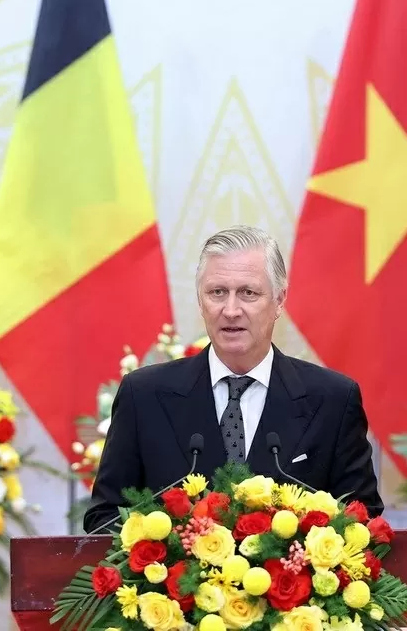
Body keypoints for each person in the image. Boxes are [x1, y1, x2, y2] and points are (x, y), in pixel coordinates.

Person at [82, 225, 383, 533]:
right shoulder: (143, 396)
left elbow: (362, 522)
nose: (230, 310)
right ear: (201, 301)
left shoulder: (332, 400)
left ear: (279, 300)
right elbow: (104, 518)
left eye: (248, 293)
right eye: (217, 292)